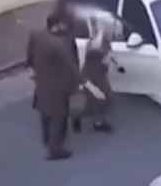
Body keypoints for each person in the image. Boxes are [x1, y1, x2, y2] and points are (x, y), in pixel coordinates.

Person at [26, 12, 84, 161]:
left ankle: (46, 138)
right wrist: (83, 82)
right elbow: (71, 64)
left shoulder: (37, 35)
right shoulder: (57, 44)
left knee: (44, 110)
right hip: (59, 84)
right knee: (59, 116)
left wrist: (32, 67)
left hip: (42, 80)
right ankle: (55, 149)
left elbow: (30, 55)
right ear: (56, 26)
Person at [71, 9, 115, 133]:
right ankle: (81, 118)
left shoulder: (102, 39)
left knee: (102, 99)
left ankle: (96, 121)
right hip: (92, 74)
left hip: (100, 72)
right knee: (95, 100)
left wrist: (108, 59)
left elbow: (107, 52)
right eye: (100, 24)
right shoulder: (92, 41)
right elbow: (95, 51)